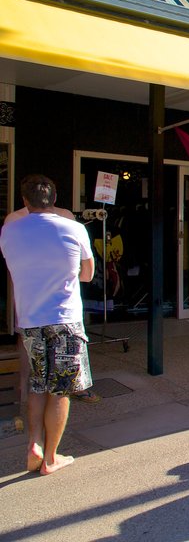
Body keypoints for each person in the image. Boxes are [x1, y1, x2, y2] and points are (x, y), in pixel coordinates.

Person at [0, 175, 95, 474]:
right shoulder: (74, 228)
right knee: (61, 389)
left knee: (37, 384)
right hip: (65, 319)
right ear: (54, 199)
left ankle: (34, 444)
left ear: (25, 202)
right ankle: (51, 458)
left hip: (29, 320)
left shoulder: (9, 232)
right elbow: (88, 275)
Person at [5, 205, 102, 405]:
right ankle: (28, 388)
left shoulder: (15, 224)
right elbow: (86, 271)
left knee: (41, 351)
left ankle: (63, 388)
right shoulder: (14, 221)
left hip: (35, 303)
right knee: (55, 357)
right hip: (51, 304)